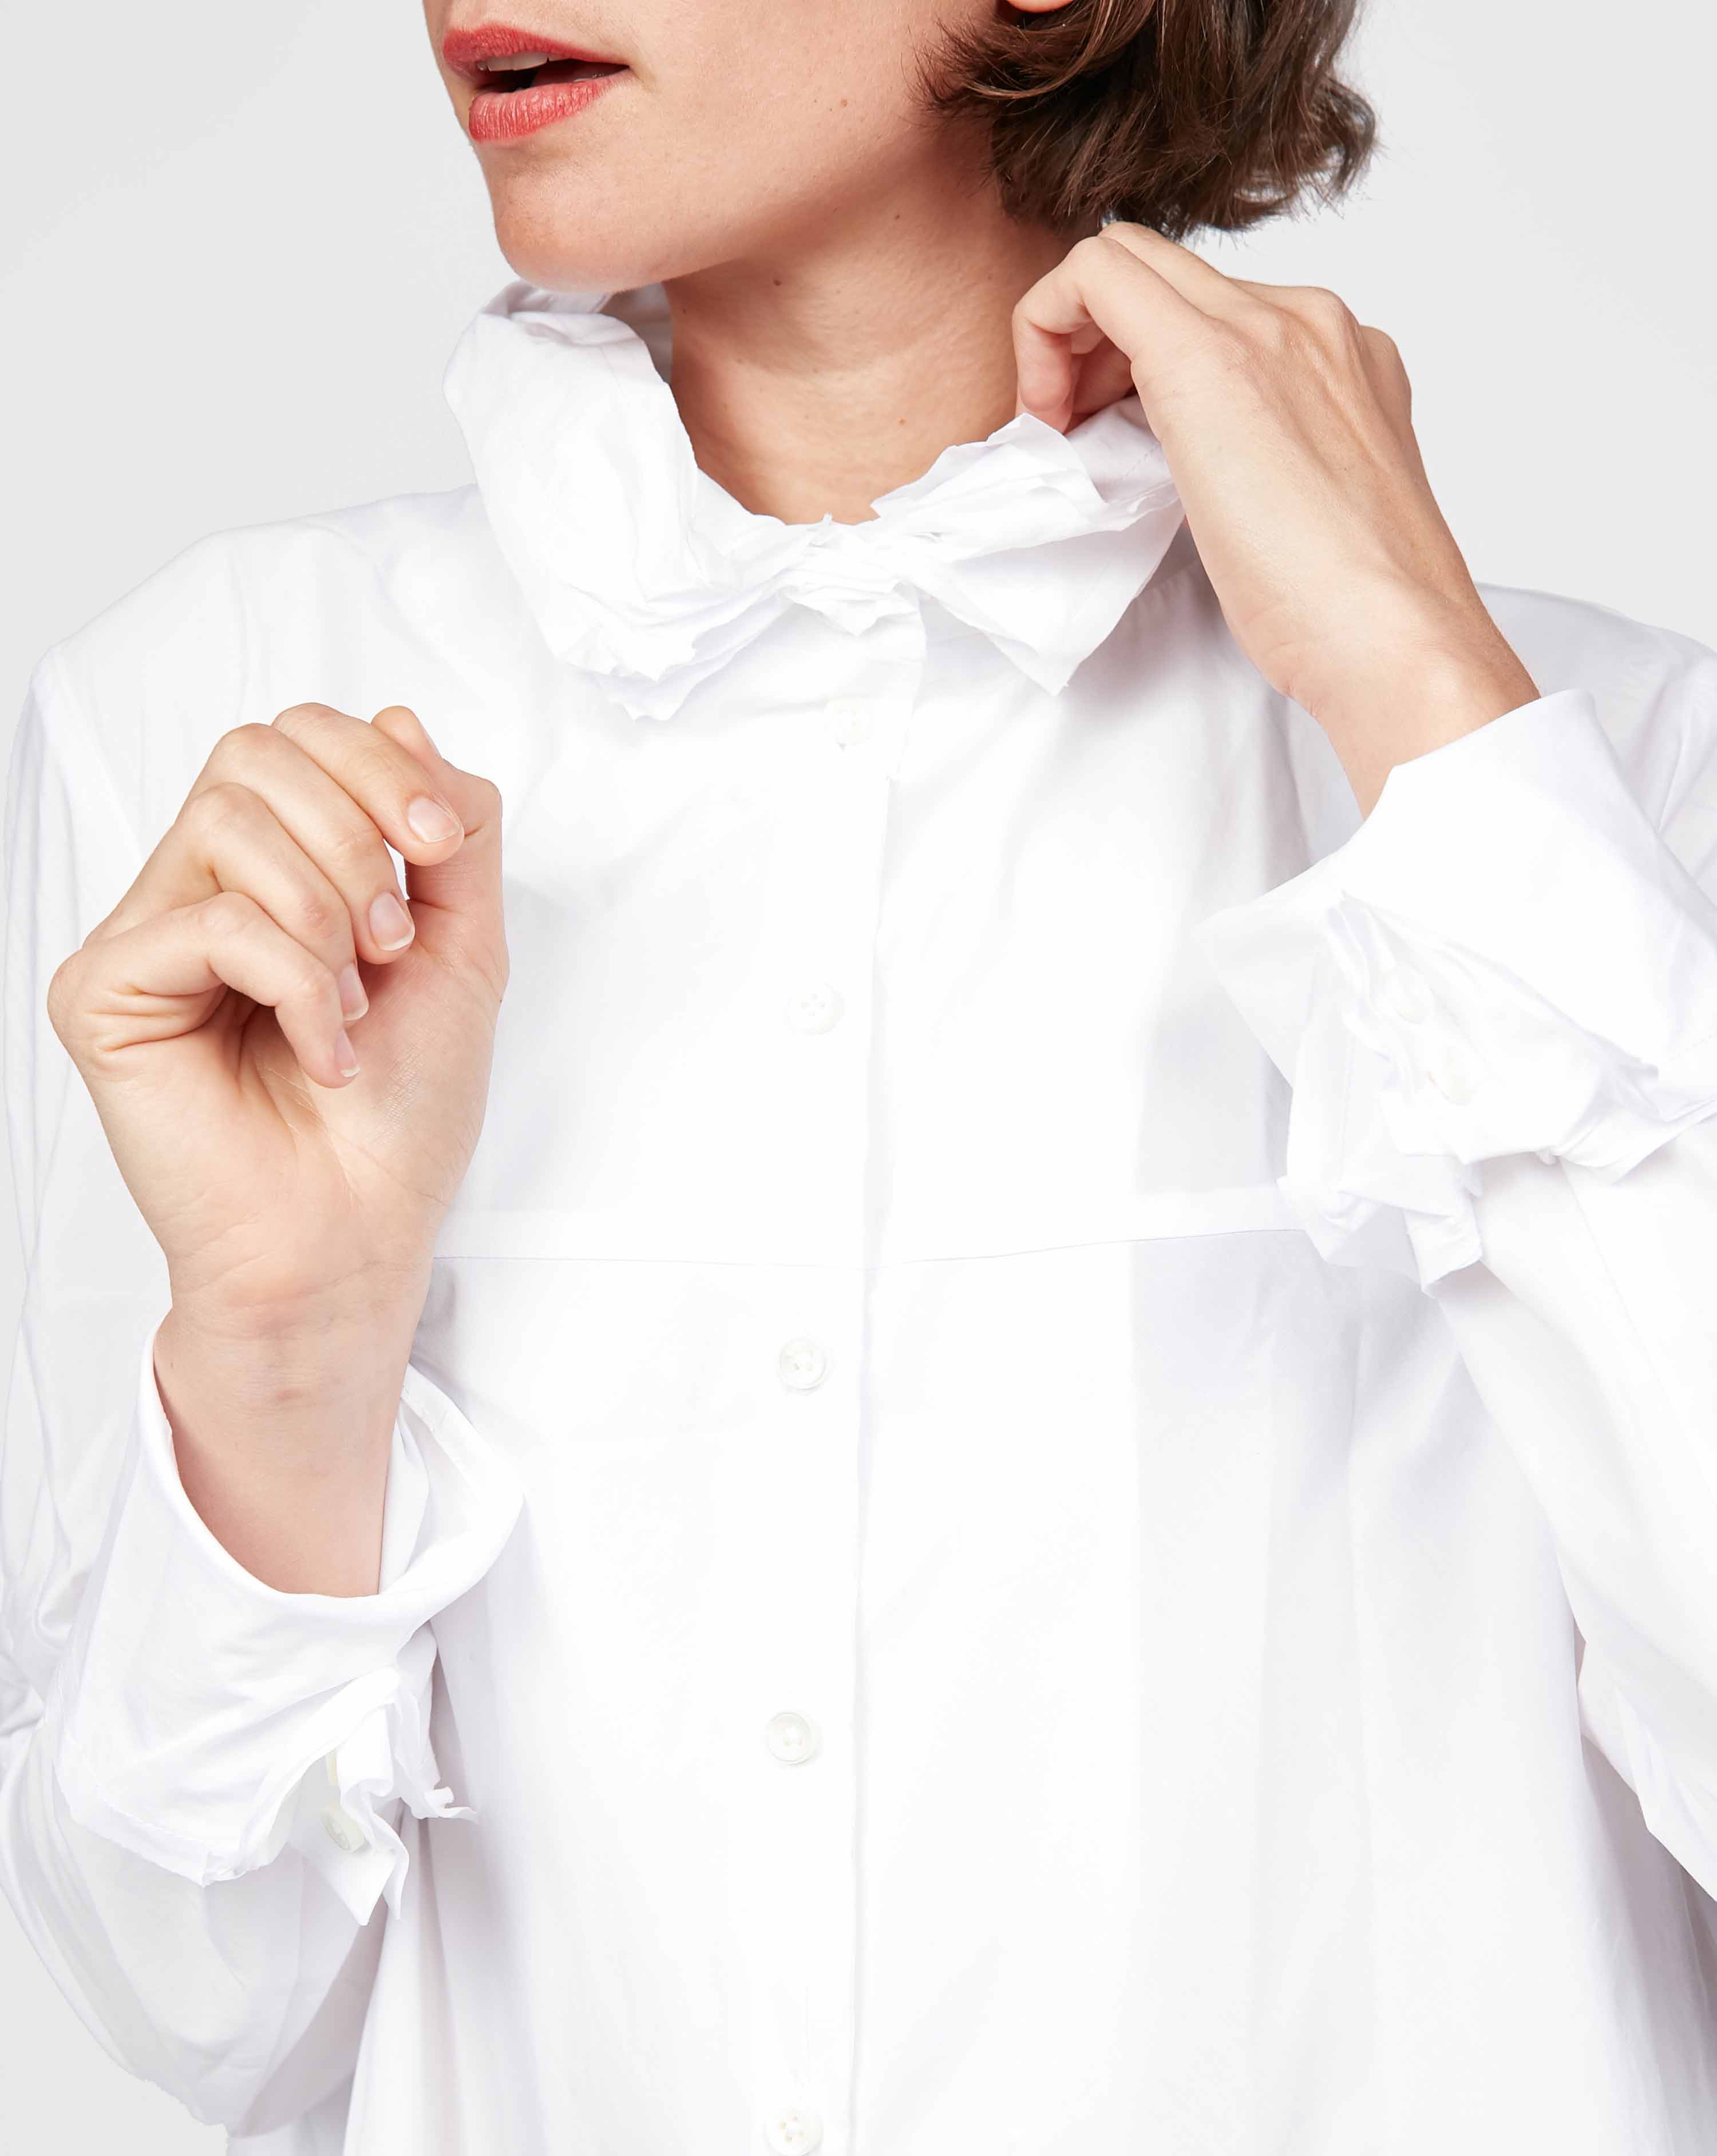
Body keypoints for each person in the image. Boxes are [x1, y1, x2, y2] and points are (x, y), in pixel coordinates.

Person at [4, 0, 1716, 2149]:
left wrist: (1425, 706)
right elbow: (193, 2006)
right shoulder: (218, 726)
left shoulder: (1602, 777)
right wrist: (287, 1356)